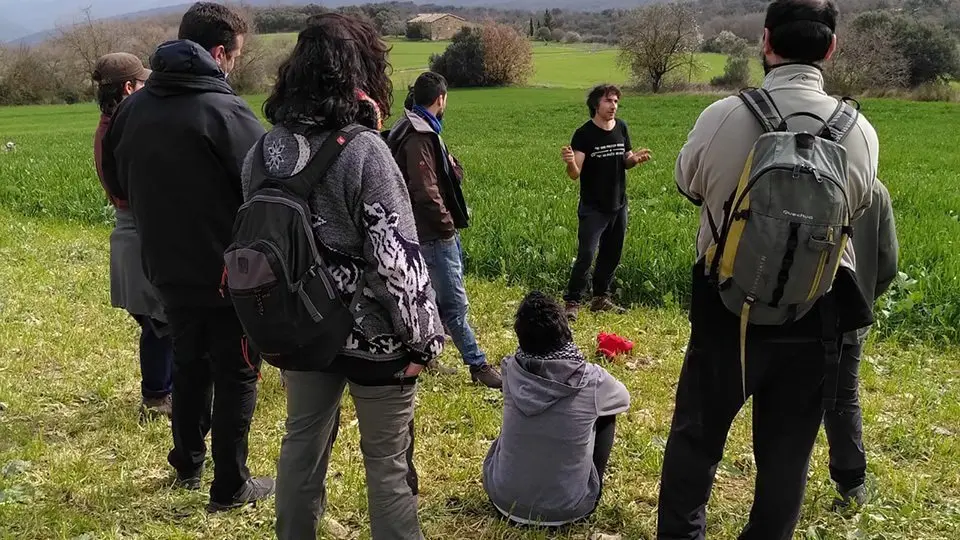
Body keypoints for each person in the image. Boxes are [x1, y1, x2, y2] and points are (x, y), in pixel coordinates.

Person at [658, 1, 880, 538]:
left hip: (724, 309)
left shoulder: (724, 116)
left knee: (695, 444)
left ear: (765, 42)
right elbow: (856, 207)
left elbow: (689, 185)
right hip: (813, 315)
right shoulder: (860, 132)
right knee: (786, 462)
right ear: (830, 49)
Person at [242, 14, 444, 540]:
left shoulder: (262, 152)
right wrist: (424, 344)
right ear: (361, 73)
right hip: (376, 340)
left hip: (301, 331)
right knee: (387, 467)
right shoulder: (364, 150)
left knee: (300, 447)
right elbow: (396, 261)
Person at [100, 2, 273, 512]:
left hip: (164, 269)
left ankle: (188, 465)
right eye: (237, 56)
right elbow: (264, 190)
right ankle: (231, 487)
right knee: (238, 372)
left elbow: (116, 182)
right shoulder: (227, 112)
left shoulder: (132, 109)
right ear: (220, 53)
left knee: (188, 364)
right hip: (226, 275)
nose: (237, 66)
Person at [385, 71, 502, 389]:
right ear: (441, 99)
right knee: (453, 304)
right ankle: (478, 365)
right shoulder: (422, 135)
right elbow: (425, 191)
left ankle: (425, 355)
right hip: (433, 234)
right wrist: (447, 226)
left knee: (427, 296)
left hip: (412, 230)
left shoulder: (408, 124)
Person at [482, 291, 630, 527]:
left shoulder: (510, 369)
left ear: (521, 338)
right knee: (606, 414)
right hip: (569, 508)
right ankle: (593, 487)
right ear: (566, 333)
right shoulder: (592, 379)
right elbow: (623, 399)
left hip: (504, 501)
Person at [91, 52, 174, 419]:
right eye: (142, 83)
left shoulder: (107, 126)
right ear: (128, 88)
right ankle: (157, 398)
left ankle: (162, 393)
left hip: (128, 230)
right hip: (140, 230)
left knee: (159, 321)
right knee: (159, 321)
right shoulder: (125, 129)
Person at [824, 178, 898, 510]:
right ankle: (852, 487)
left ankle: (781, 488)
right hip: (852, 317)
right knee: (843, 399)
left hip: (804, 314)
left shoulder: (816, 179)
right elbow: (889, 263)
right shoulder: (876, 190)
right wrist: (864, 298)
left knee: (792, 399)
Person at [560, 84, 651, 321]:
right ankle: (572, 300)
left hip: (618, 204)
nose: (613, 106)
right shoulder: (584, 134)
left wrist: (635, 159)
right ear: (596, 104)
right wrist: (570, 162)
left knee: (612, 253)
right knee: (586, 255)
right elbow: (575, 173)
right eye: (609, 101)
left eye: (616, 102)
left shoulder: (621, 127)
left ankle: (600, 298)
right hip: (593, 207)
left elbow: (626, 159)